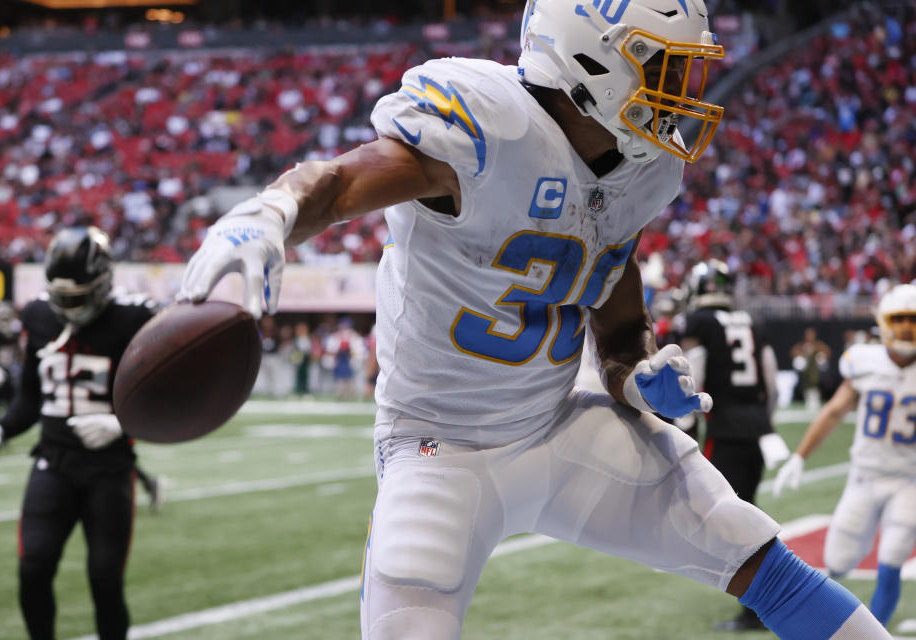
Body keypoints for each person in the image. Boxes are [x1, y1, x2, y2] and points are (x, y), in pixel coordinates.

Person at [178, 1, 892, 638]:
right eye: (666, 70)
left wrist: (637, 377)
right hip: (439, 450)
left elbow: (615, 325)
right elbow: (335, 185)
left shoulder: (638, 173)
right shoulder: (491, 127)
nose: (683, 93)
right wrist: (263, 219)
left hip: (557, 427)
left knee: (755, 552)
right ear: (595, 61)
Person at [0, 226, 157, 640]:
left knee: (105, 580)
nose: (65, 308)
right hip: (53, 461)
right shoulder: (39, 314)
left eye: (75, 297)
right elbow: (31, 396)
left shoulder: (134, 317)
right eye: (60, 297)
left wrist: (122, 423)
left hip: (109, 469)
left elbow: (164, 398)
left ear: (102, 283)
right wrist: (0, 428)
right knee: (33, 567)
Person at [774, 283, 916, 629]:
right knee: (838, 558)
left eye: (912, 320)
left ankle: (875, 632)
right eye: (899, 319)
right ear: (883, 322)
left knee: (892, 556)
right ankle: (827, 620)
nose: (907, 328)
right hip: (865, 476)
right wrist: (800, 456)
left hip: (910, 480)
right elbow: (834, 411)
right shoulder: (864, 361)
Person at [676, 259, 790, 632]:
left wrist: (685, 427)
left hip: (724, 431)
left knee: (733, 526)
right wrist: (762, 420)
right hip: (755, 432)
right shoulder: (751, 321)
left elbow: (694, 379)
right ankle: (759, 604)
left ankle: (758, 607)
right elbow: (770, 381)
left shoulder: (701, 324)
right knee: (745, 517)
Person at [791, 326, 832, 412]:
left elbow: (827, 352)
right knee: (799, 362)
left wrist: (816, 350)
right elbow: (793, 352)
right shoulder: (802, 345)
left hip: (815, 372)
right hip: (805, 373)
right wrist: (802, 352)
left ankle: (815, 399)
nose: (810, 336)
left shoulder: (818, 345)